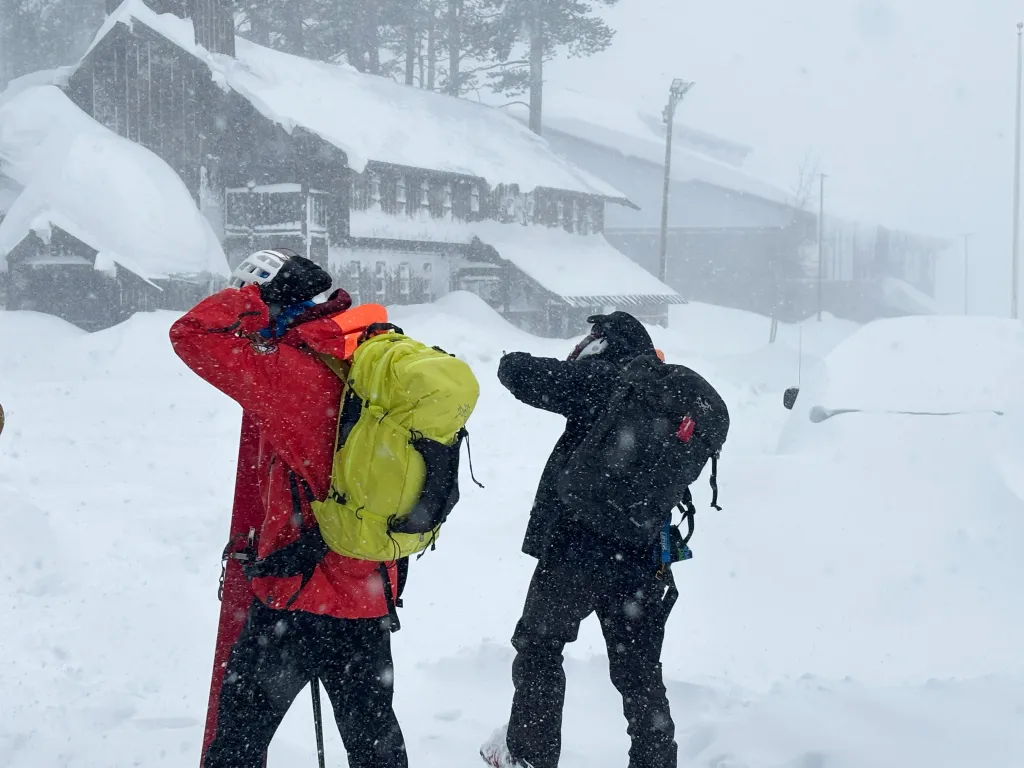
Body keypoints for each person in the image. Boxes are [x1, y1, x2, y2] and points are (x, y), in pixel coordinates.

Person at [170, 249, 408, 768]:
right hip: (368, 589)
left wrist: (250, 299)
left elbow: (191, 335)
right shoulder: (374, 358)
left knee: (236, 743)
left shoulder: (290, 373)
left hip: (295, 596)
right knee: (374, 745)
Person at [481, 312, 679, 768]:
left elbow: (524, 376)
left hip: (579, 550)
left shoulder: (608, 380)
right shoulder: (665, 394)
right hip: (647, 552)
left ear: (603, 344)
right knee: (640, 670)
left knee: (539, 648)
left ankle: (529, 757)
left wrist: (510, 356)